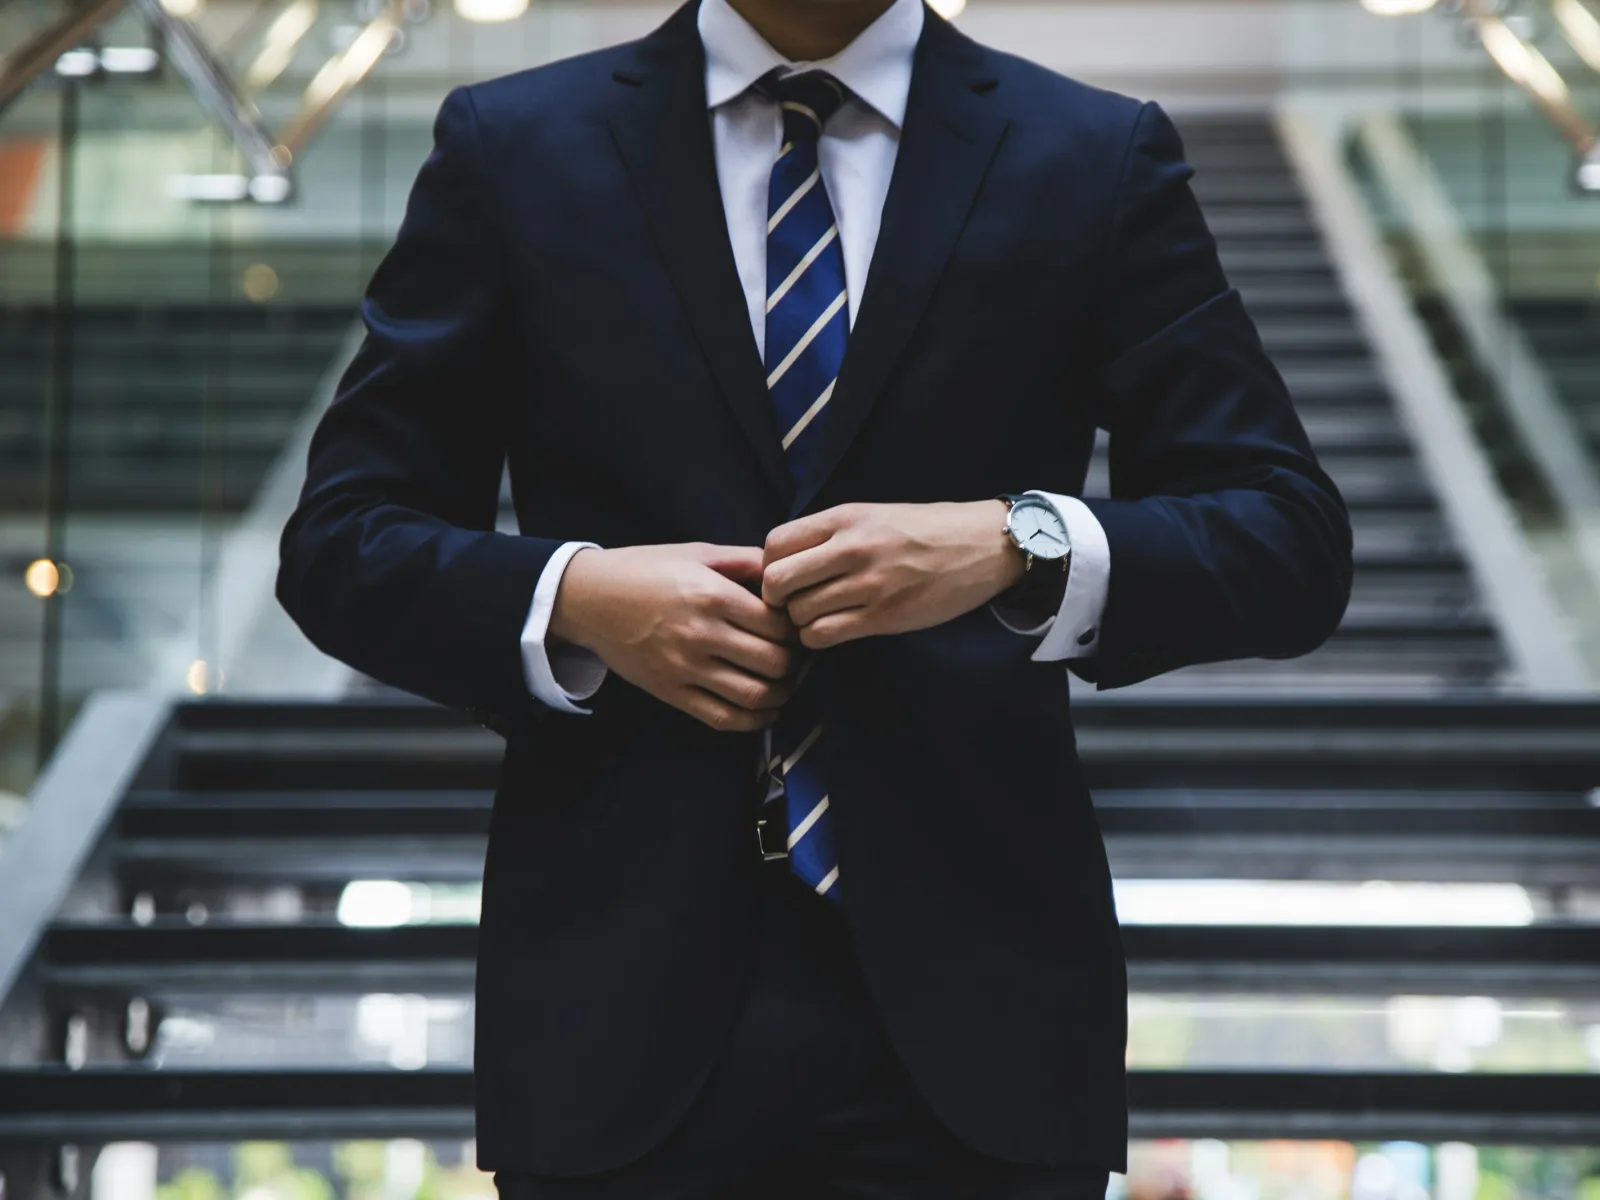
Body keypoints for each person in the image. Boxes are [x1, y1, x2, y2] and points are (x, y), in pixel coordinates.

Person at [276, 0, 1353, 1192]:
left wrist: (1018, 541)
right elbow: (340, 541)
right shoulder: (515, 144)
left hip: (980, 1025)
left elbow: (1284, 537)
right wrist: (575, 595)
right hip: (615, 1012)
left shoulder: (1091, 152)